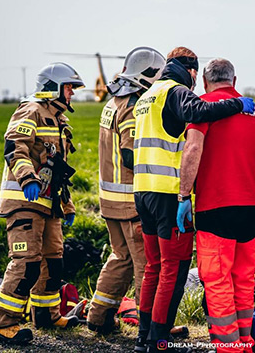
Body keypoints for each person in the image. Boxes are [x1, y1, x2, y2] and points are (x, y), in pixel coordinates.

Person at [133, 47, 255, 353]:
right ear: (191, 73)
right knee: (172, 268)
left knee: (153, 266)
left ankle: (144, 336)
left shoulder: (147, 95)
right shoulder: (174, 91)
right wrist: (237, 104)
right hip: (169, 193)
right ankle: (157, 342)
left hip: (143, 189)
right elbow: (198, 113)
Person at [0, 63, 85, 345]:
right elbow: (14, 147)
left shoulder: (57, 119)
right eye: (69, 88)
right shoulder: (30, 110)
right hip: (24, 202)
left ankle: (46, 315)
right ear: (53, 87)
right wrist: (27, 178)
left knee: (52, 264)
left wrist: (67, 207)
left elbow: (59, 169)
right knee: (27, 264)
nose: (72, 94)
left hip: (50, 205)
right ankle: (4, 324)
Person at [177, 58, 255, 353]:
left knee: (216, 278)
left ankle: (229, 347)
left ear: (204, 81)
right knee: (243, 279)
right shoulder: (252, 111)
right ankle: (245, 341)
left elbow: (192, 149)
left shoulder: (204, 107)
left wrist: (183, 195)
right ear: (234, 80)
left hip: (216, 205)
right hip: (251, 206)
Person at [87, 47, 166, 335]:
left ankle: (98, 317)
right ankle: (153, 327)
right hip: (131, 202)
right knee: (147, 266)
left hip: (110, 201)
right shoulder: (133, 104)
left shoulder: (113, 102)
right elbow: (131, 153)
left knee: (120, 259)